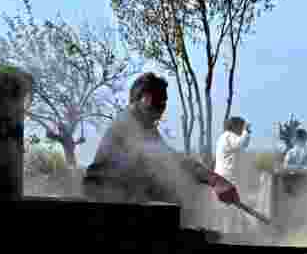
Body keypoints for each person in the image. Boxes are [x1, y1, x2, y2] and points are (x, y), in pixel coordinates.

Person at [86, 73, 239, 215]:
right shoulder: (127, 123)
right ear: (146, 98)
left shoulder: (143, 124)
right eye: (162, 101)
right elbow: (170, 159)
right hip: (105, 199)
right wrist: (215, 180)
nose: (163, 109)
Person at [213, 116, 252, 234]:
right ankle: (229, 235)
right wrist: (246, 131)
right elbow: (240, 144)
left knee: (227, 209)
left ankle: (225, 233)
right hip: (227, 177)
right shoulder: (229, 136)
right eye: (241, 127)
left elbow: (241, 145)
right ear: (235, 126)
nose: (241, 130)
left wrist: (246, 133)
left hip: (223, 176)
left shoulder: (224, 137)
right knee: (230, 210)